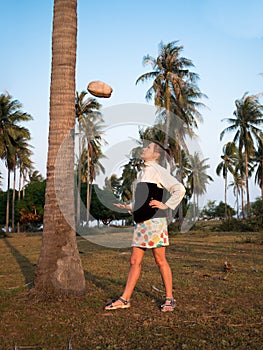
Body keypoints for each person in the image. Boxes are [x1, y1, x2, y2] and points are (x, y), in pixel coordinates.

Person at [105, 141, 186, 312]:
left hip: (155, 222)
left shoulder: (158, 170)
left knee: (160, 260)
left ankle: (170, 298)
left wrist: (166, 205)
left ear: (156, 155)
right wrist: (130, 207)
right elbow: (144, 200)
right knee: (134, 261)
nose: (144, 149)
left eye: (148, 148)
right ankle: (125, 299)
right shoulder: (142, 173)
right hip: (141, 223)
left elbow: (179, 189)